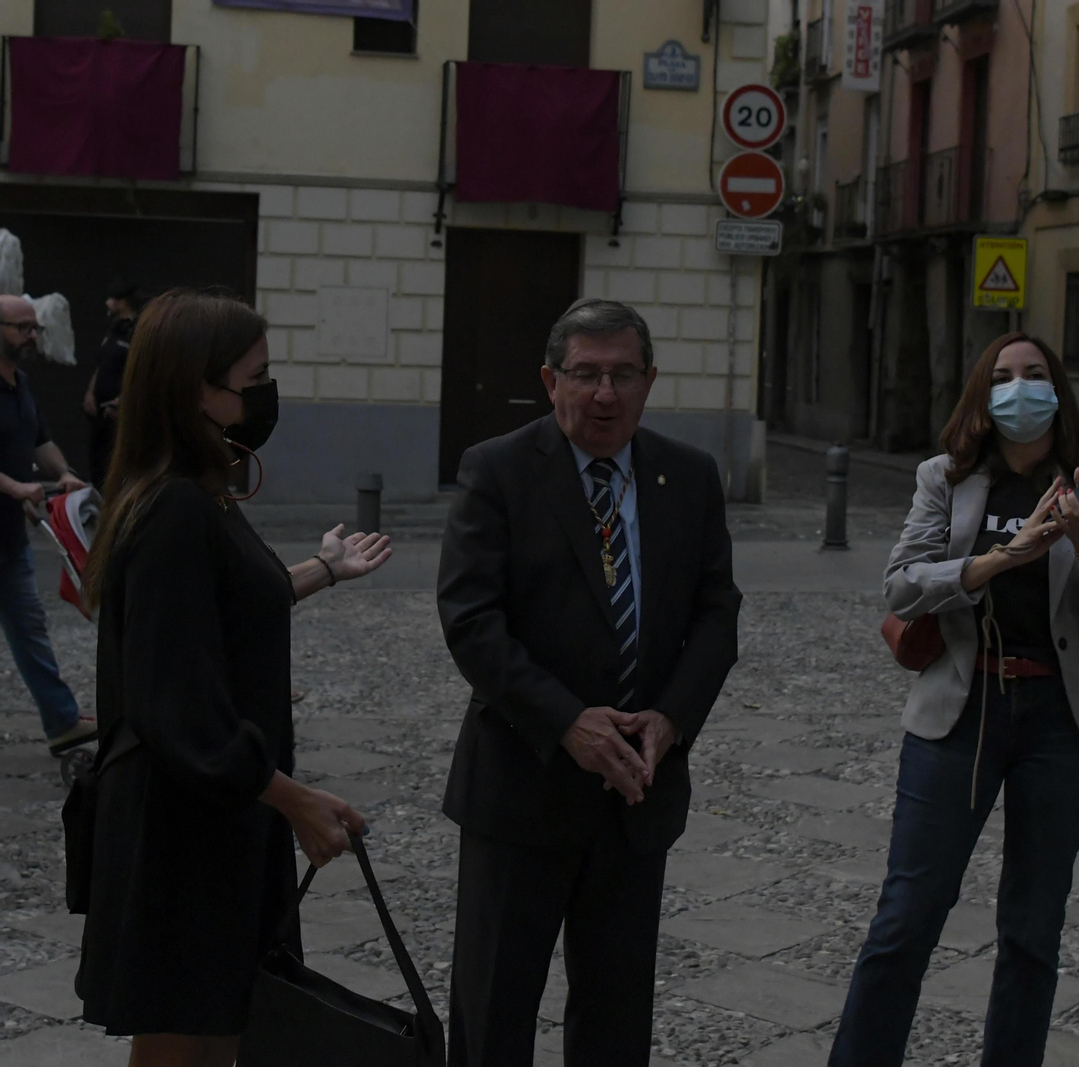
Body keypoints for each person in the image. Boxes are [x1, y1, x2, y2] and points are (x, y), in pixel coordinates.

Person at [76, 290, 393, 1067]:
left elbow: (227, 602)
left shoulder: (196, 490)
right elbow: (176, 704)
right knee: (182, 1037)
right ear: (198, 388)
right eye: (255, 378)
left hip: (220, 815)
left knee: (224, 1023)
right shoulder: (173, 508)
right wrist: (294, 798)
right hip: (182, 829)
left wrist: (324, 567)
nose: (265, 393)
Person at [437, 297, 741, 1067]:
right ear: (551, 380)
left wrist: (671, 717)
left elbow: (717, 613)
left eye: (623, 374)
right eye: (586, 374)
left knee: (615, 1020)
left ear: (649, 381)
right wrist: (568, 721)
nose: (605, 394)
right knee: (494, 1011)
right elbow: (472, 621)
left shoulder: (688, 475)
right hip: (522, 787)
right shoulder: (498, 470)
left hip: (634, 795)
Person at [830, 333, 1079, 1067]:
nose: (1019, 389)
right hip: (963, 708)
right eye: (1003, 376)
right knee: (906, 915)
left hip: (1062, 721)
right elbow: (902, 585)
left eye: (1035, 374)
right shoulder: (947, 477)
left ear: (1058, 391)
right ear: (982, 393)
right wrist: (1003, 557)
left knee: (1033, 929)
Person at [0, 295, 95, 755]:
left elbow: (40, 440)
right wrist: (16, 487)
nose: (31, 336)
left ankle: (62, 723)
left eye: (34, 328)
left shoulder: (20, 384)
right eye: (21, 328)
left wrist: (63, 473)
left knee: (30, 630)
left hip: (8, 539)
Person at [83, 278, 142, 487]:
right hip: (100, 413)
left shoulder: (136, 331)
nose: (107, 303)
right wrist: (90, 392)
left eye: (111, 299)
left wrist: (122, 401)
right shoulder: (114, 329)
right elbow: (102, 364)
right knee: (97, 463)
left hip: (119, 413)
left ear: (122, 302)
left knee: (116, 465)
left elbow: (139, 372)